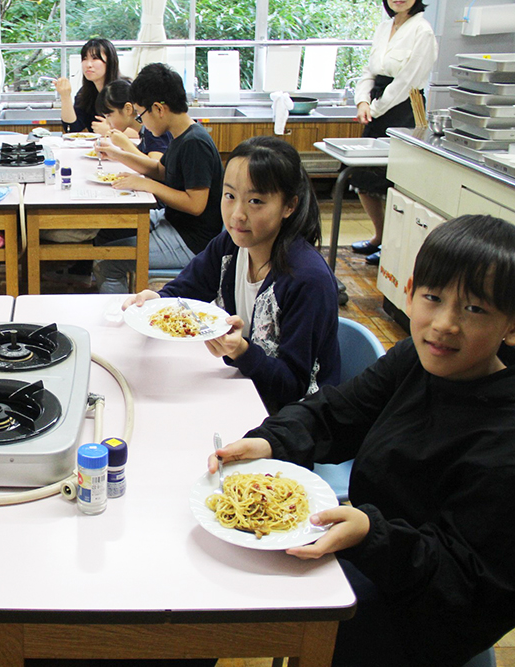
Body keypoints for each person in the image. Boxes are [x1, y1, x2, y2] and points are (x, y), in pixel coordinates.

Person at [210, 214, 515, 667]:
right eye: (433, 298)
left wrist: (372, 535)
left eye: (474, 309)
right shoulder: (418, 358)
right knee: (219, 579)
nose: (445, 324)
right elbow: (339, 411)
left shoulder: (503, 440)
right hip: (373, 553)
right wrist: (270, 441)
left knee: (230, 610)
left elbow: (468, 585)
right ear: (410, 293)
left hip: (421, 614)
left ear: (510, 325)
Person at [123, 136, 340, 413]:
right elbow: (189, 288)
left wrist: (241, 352)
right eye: (230, 196)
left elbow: (293, 386)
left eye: (256, 201)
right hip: (245, 390)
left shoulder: (308, 280)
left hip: (294, 418)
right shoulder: (232, 246)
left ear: (289, 206)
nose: (237, 214)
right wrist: (158, 298)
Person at [94, 63, 224, 294]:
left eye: (142, 116)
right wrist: (117, 154)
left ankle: (122, 321)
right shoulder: (181, 135)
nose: (142, 123)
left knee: (108, 263)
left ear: (159, 108)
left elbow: (195, 204)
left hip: (192, 240)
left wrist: (146, 184)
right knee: (109, 237)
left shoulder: (195, 143)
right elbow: (159, 170)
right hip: (172, 220)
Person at [350, 0, 437, 266]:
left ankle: (393, 248)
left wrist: (375, 108)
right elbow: (370, 71)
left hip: (405, 107)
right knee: (363, 177)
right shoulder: (384, 27)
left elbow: (407, 81)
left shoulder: (422, 31)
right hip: (377, 103)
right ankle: (379, 236)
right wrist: (362, 101)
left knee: (396, 182)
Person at [56, 38, 121, 134]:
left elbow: (142, 130)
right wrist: (65, 96)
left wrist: (111, 130)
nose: (88, 65)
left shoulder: (124, 90)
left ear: (110, 61)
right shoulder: (85, 93)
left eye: (95, 58)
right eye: (85, 59)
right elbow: (73, 129)